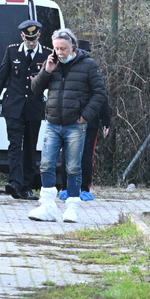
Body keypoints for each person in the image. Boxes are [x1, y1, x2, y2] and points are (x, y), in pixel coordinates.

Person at [29, 27, 108, 223]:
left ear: (73, 46)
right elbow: (35, 90)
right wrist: (46, 72)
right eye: (56, 48)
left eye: (63, 48)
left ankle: (72, 208)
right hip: (53, 122)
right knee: (46, 164)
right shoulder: (51, 63)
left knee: (73, 167)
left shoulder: (88, 65)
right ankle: (47, 206)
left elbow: (100, 94)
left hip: (75, 124)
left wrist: (85, 116)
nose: (59, 53)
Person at [0, 20, 48, 200]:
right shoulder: (12, 51)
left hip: (34, 108)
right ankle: (15, 183)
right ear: (22, 37)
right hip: (14, 107)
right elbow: (1, 77)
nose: (31, 42)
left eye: (34, 38)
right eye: (28, 39)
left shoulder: (47, 55)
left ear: (39, 36)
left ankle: (26, 187)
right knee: (14, 145)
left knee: (30, 147)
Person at [57, 97, 111, 201]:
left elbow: (100, 96)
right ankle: (66, 187)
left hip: (88, 121)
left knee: (86, 155)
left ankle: (84, 189)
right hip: (71, 119)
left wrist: (105, 119)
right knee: (68, 154)